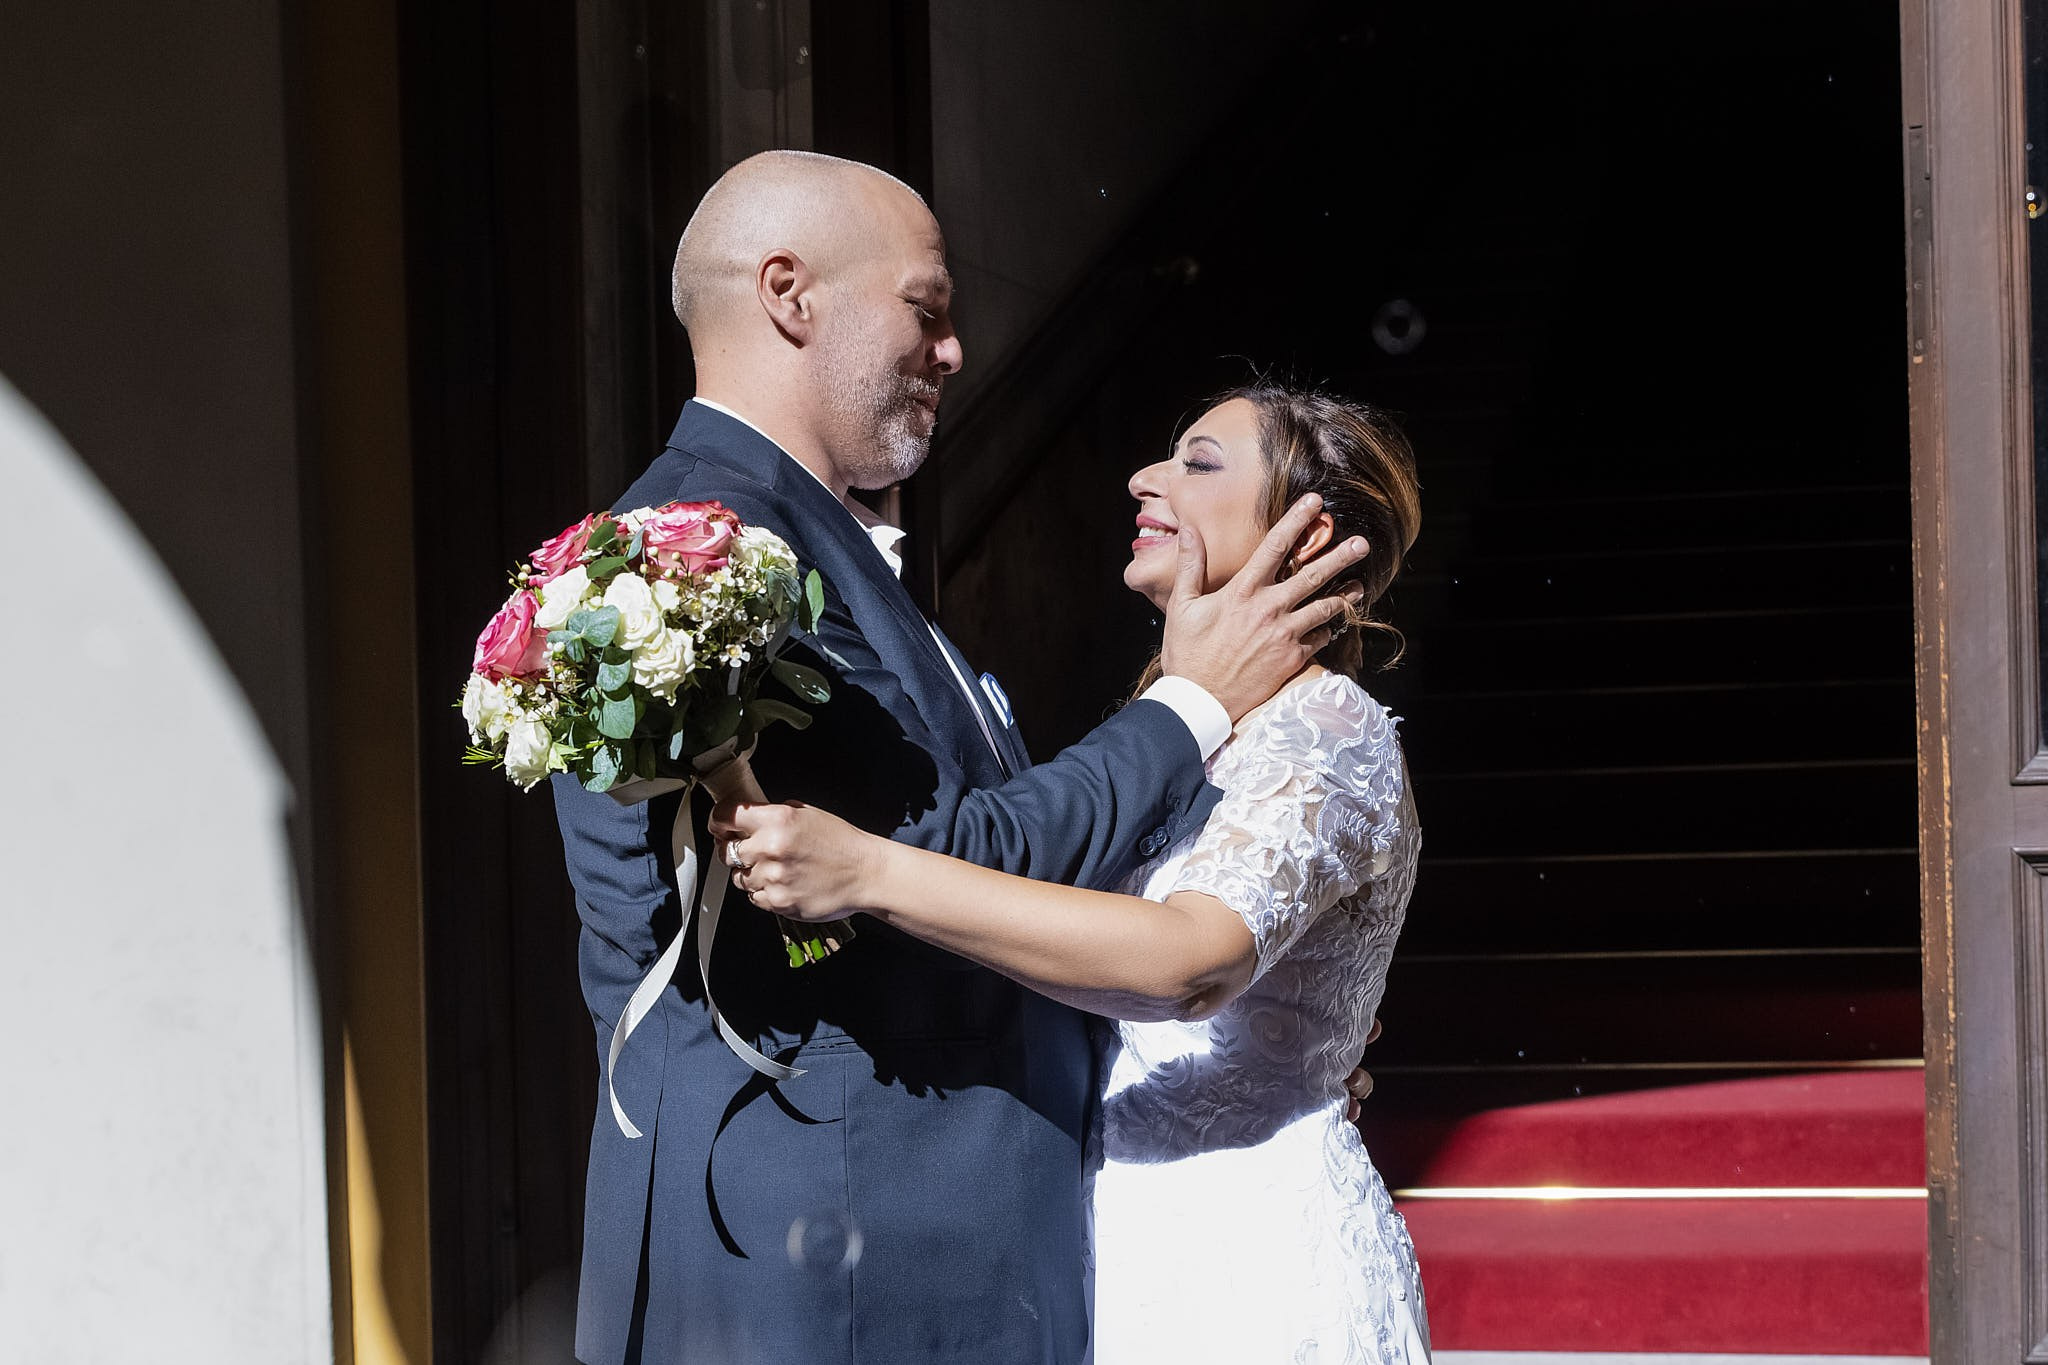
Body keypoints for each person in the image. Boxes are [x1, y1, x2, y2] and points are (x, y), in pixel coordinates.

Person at [549, 150, 1372, 1365]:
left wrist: (1272, 1059)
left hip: (908, 1218)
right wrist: (1191, 702)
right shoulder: (706, 557)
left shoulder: (803, 539)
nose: (953, 353)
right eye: (927, 309)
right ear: (790, 295)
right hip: (849, 1235)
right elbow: (927, 858)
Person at [718, 382, 1431, 1362]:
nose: (1145, 478)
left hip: (1244, 1260)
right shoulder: (1188, 732)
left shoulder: (1327, 730)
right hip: (1124, 1235)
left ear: (1305, 539)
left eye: (1199, 462)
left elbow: (1186, 962)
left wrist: (867, 872)